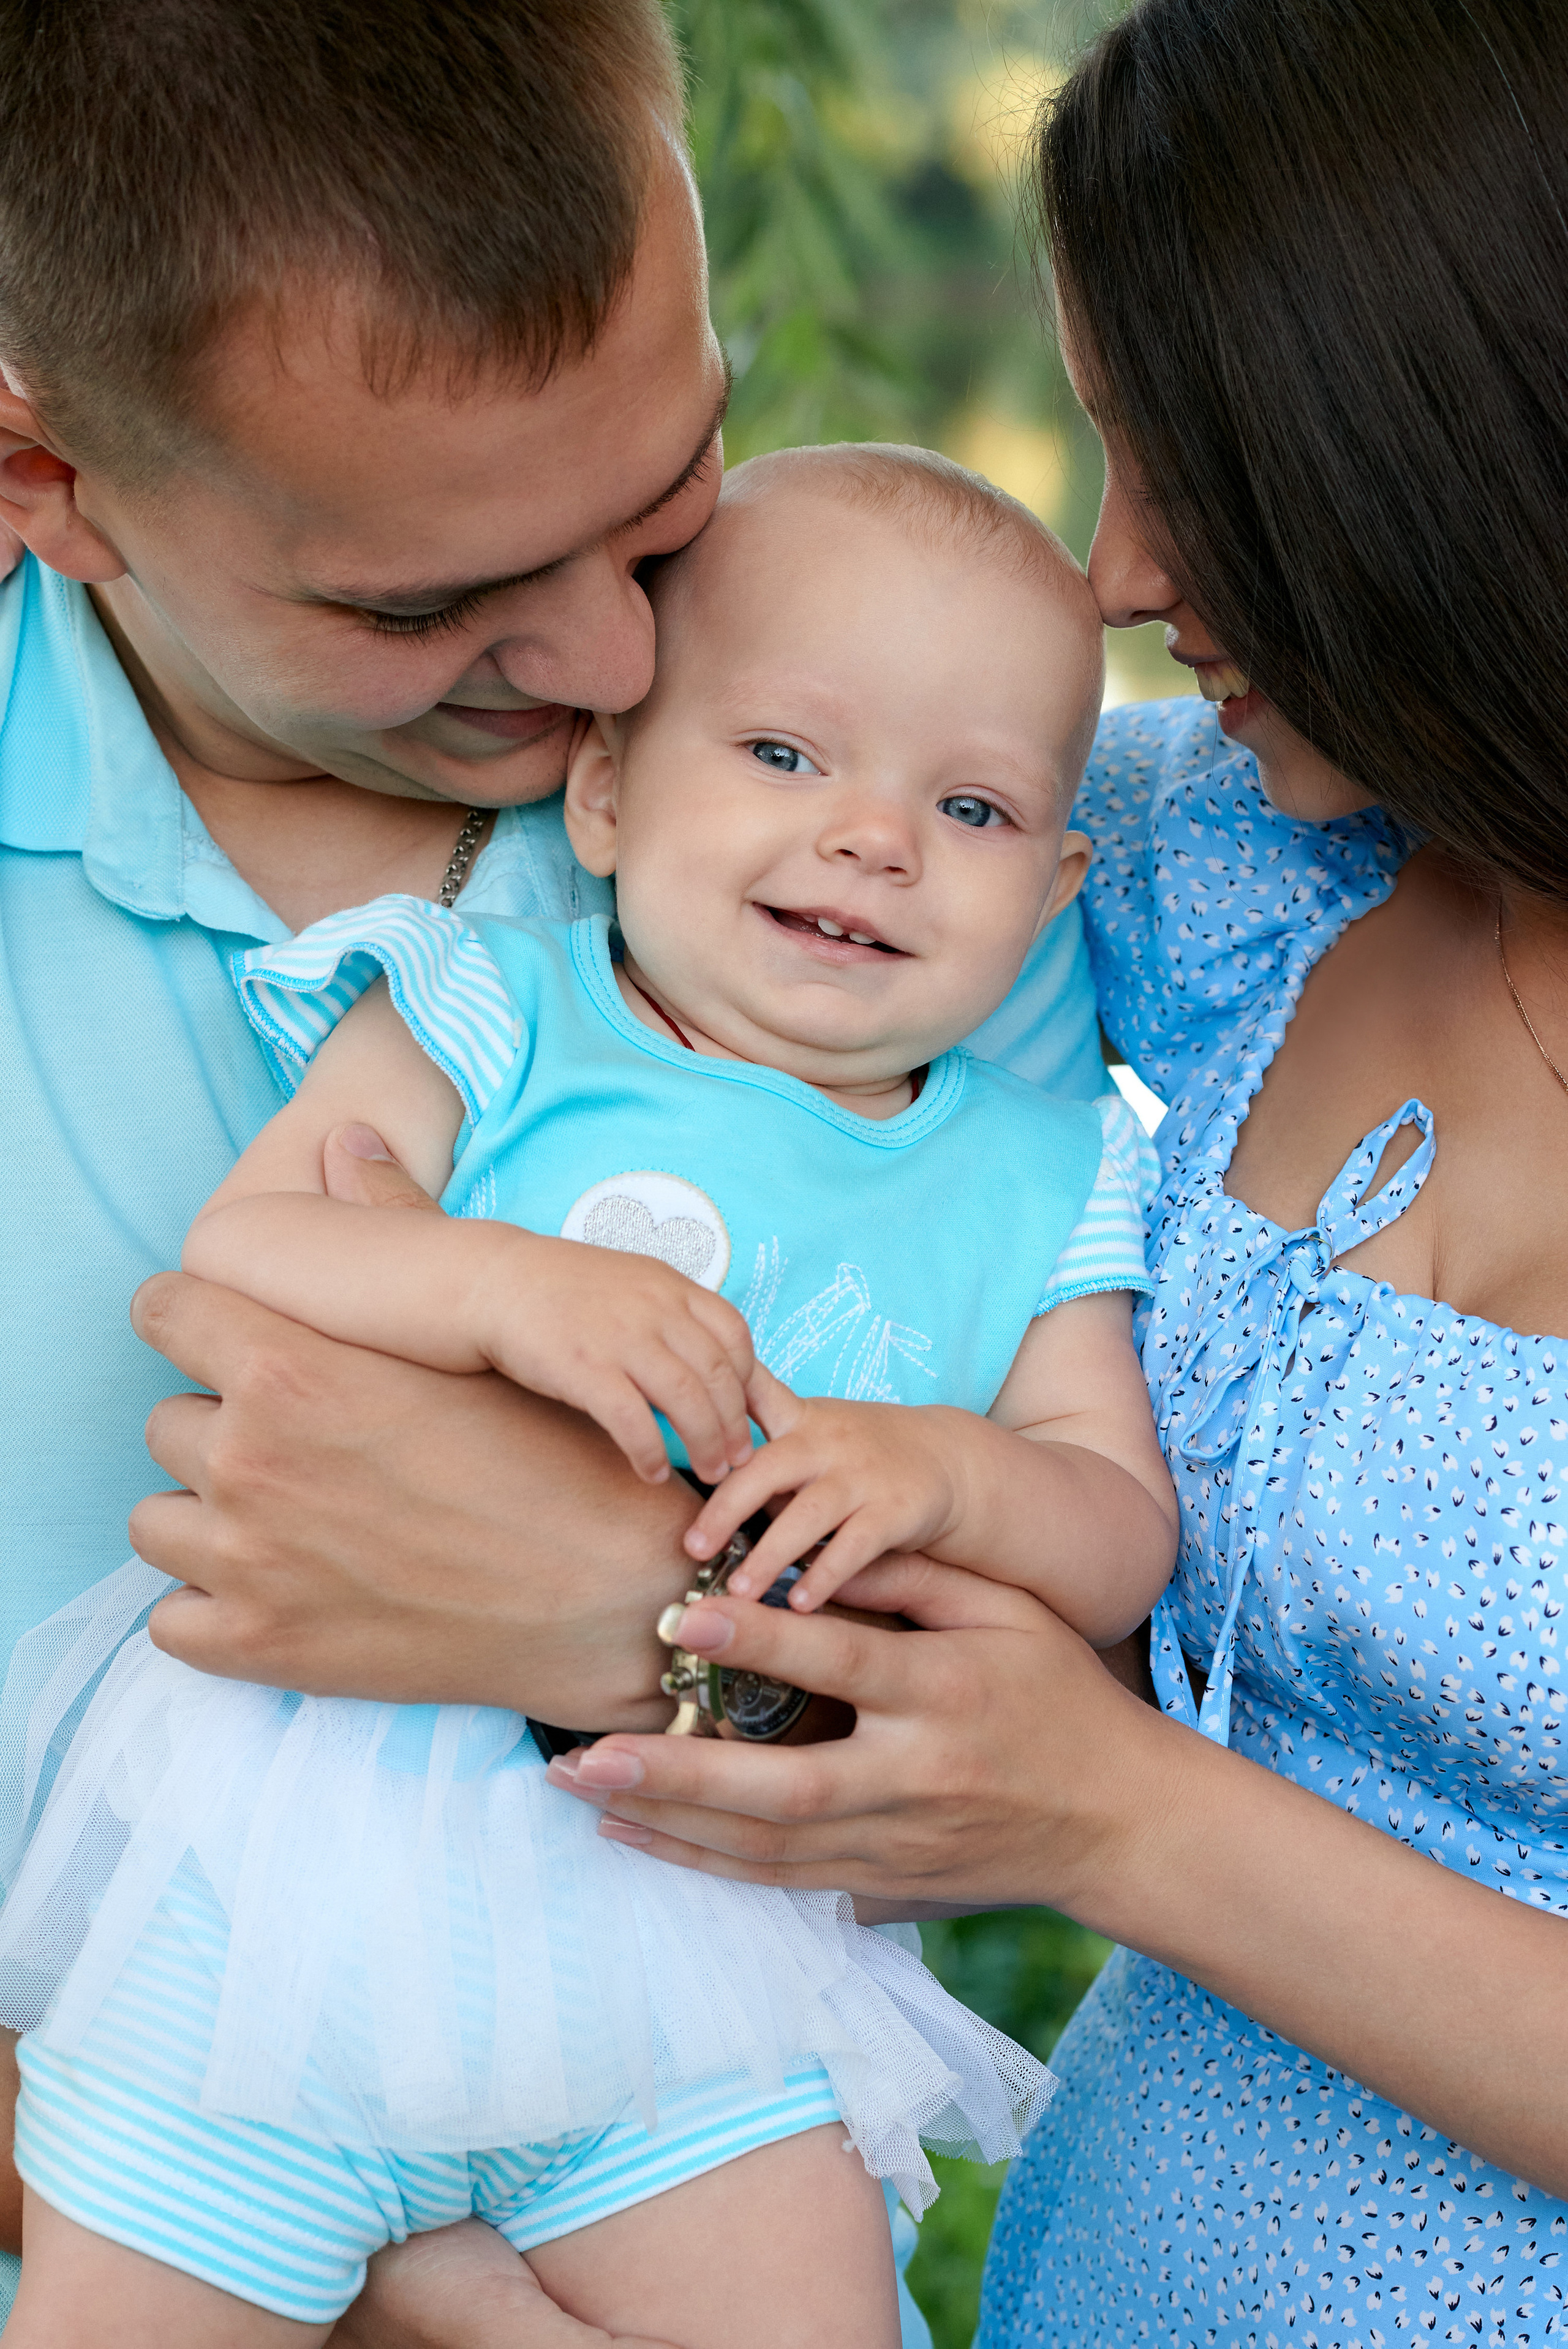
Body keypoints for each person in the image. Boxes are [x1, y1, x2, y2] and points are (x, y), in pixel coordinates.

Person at [0, 1, 1114, 2334]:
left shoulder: (878, 862)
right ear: (42, 473)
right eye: (426, 603)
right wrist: (426, 2293)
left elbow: (1079, 1658)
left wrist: (611, 1609)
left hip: (686, 2097)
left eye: (669, 488)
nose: (620, 653)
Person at [538, 3, 1568, 2342]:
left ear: (1446, 453)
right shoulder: (1224, 872)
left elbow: (1097, 1772)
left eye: (1183, 461)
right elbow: (671, 829)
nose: (1112, 571)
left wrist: (1109, 1813)